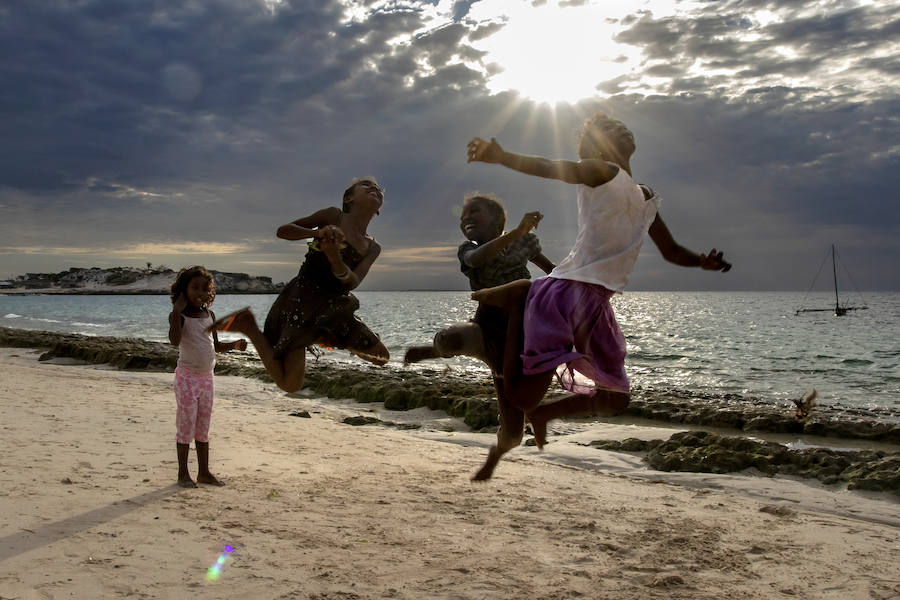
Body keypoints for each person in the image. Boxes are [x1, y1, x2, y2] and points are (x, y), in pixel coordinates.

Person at [466, 113, 732, 479]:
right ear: (594, 145)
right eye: (606, 128)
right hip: (567, 293)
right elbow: (552, 167)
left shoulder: (643, 195)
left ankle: (544, 413)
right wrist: (503, 156)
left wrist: (702, 262)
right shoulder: (600, 170)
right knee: (521, 396)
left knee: (616, 398)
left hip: (598, 301)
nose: (620, 127)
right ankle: (520, 298)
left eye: (622, 125)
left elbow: (670, 251)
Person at [403, 193, 555, 476]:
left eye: (475, 212)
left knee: (513, 435)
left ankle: (495, 455)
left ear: (497, 220)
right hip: (485, 327)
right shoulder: (467, 249)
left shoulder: (526, 243)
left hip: (521, 333)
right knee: (452, 339)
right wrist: (516, 232)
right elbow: (478, 259)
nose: (467, 218)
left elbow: (552, 272)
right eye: (463, 215)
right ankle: (437, 348)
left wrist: (587, 283)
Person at [209, 178, 389, 393]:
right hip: (302, 301)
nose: (374, 189)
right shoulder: (333, 216)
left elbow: (353, 282)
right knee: (290, 384)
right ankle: (249, 327)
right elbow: (284, 230)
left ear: (379, 209)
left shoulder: (373, 247)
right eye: (367, 187)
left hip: (335, 307)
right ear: (349, 198)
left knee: (381, 357)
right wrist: (317, 233)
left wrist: (335, 260)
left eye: (378, 189)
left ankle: (323, 335)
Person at [168, 265, 248, 488]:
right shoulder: (180, 316)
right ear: (183, 289)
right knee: (186, 425)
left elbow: (215, 346)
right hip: (186, 378)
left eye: (205, 289)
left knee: (203, 426)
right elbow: (174, 341)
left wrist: (234, 344)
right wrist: (176, 312)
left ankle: (204, 472)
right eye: (194, 288)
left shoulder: (209, 315)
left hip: (207, 378)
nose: (200, 293)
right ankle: (183, 473)